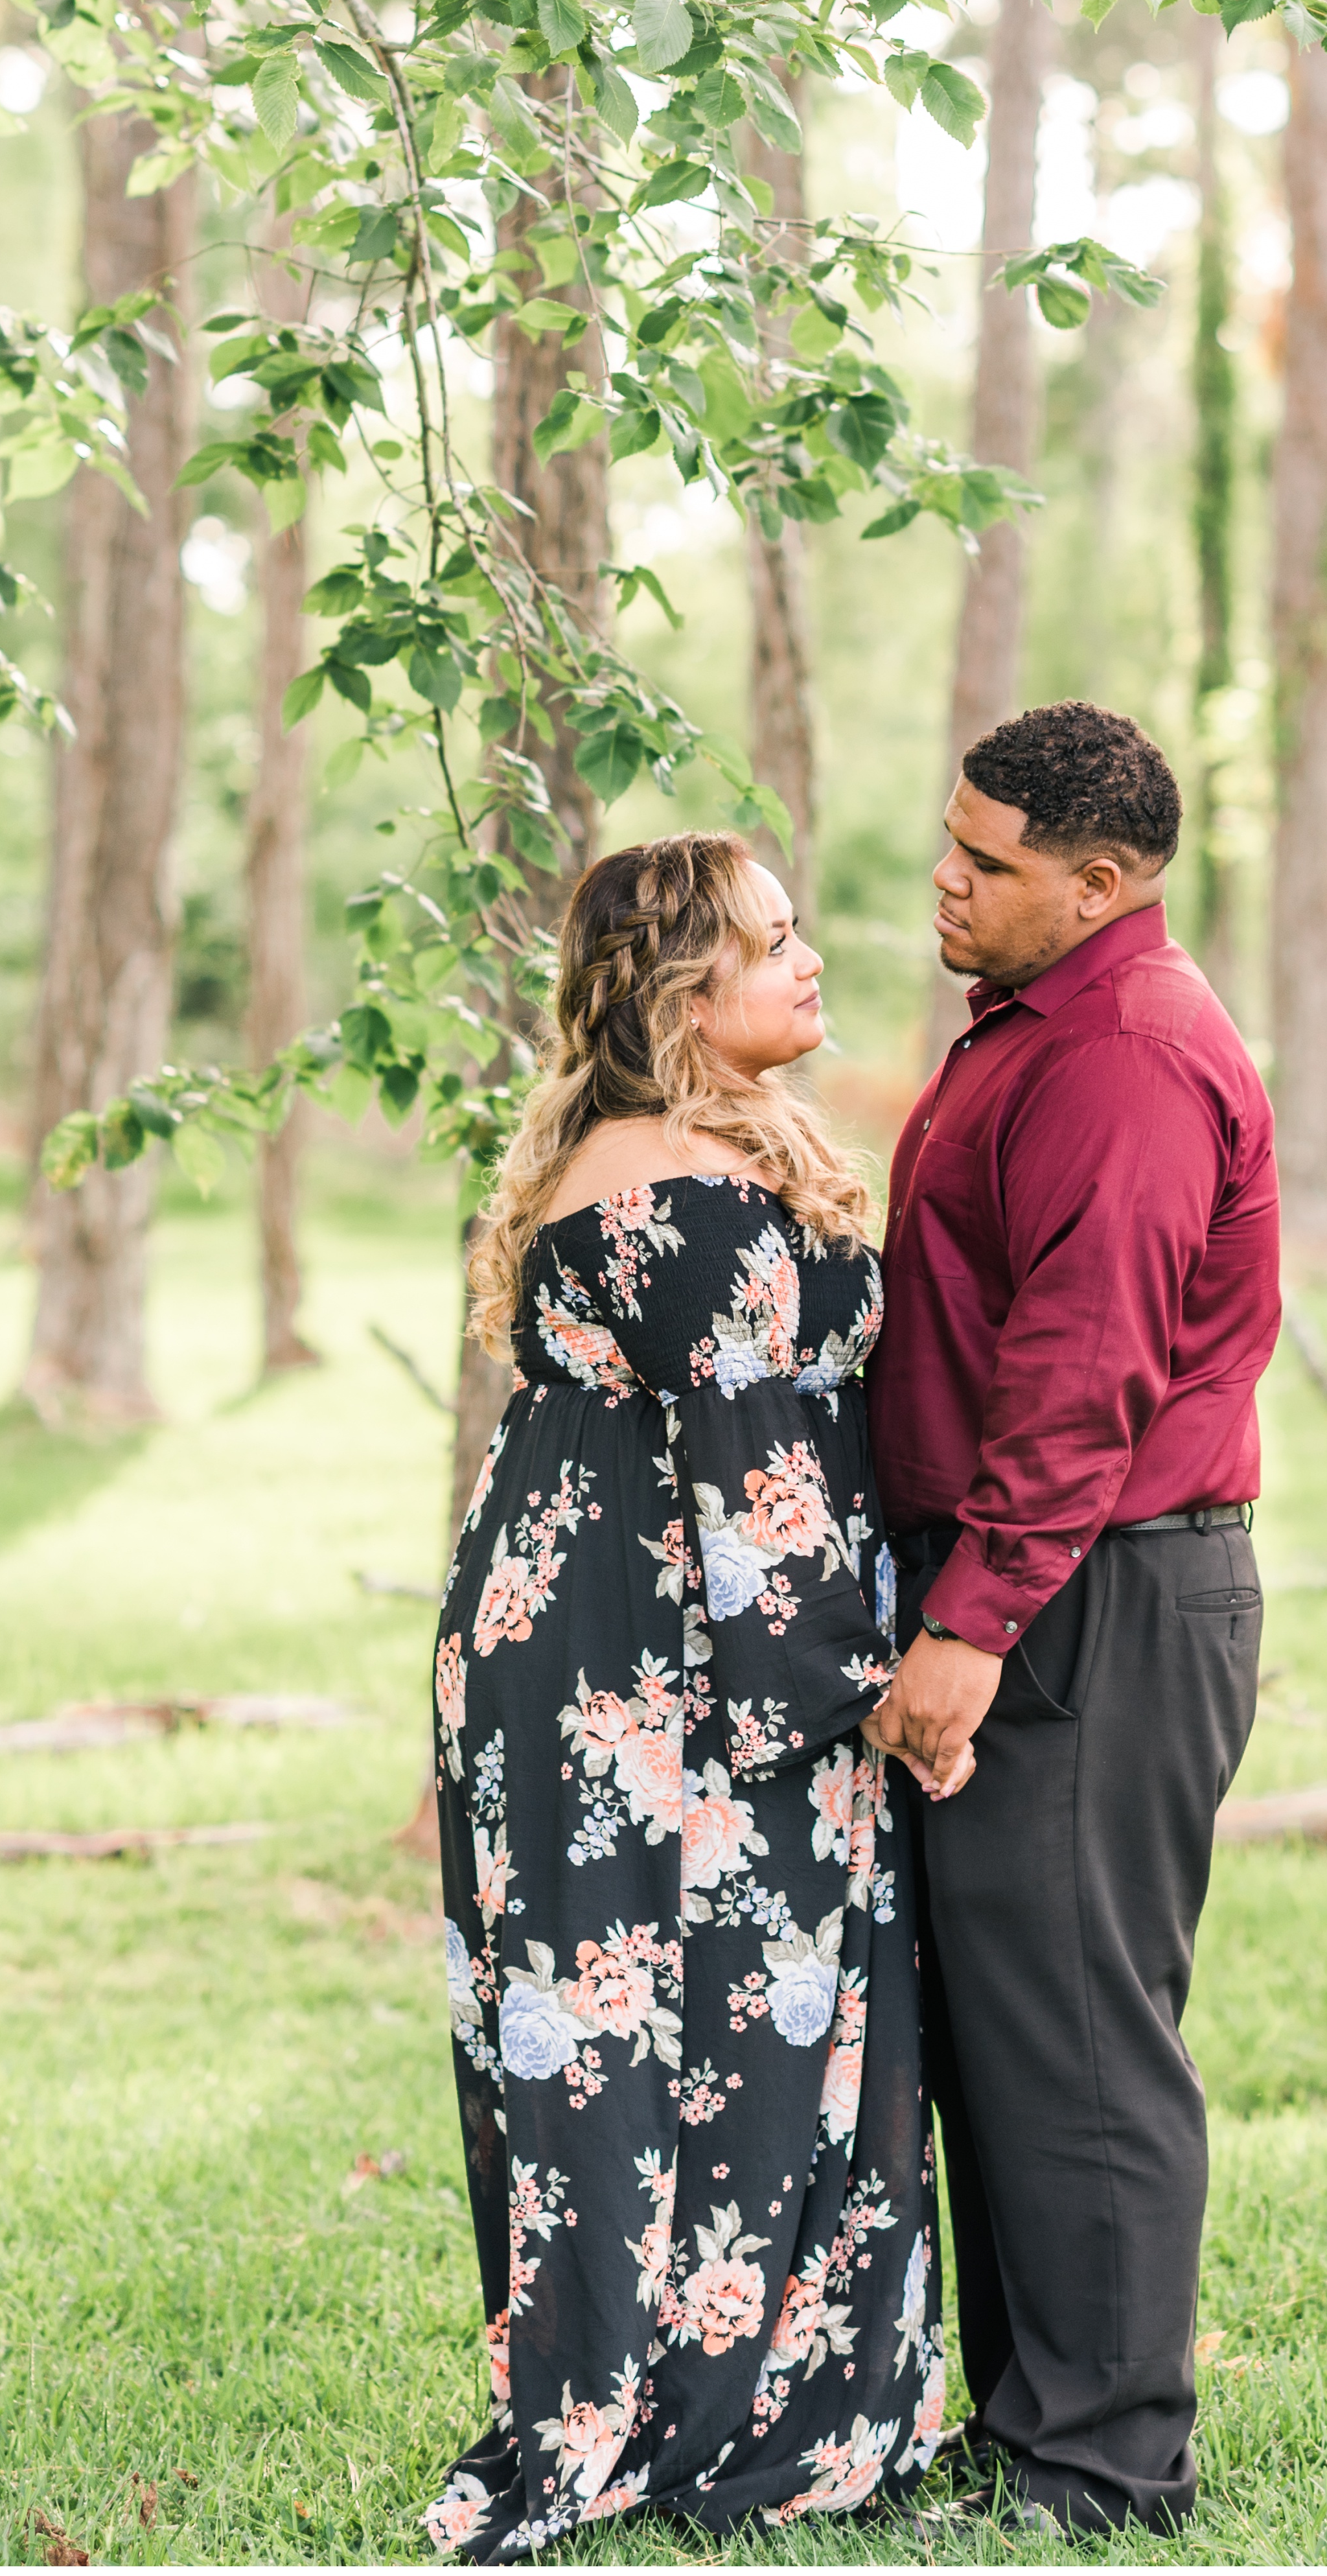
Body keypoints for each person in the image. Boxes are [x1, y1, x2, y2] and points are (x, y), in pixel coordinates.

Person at [422, 833, 948, 2562]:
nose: (811, 960)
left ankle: (677, 2380)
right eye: (771, 940)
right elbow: (757, 1484)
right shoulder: (682, 1198)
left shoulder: (674, 1149)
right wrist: (863, 1690)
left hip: (596, 1634)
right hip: (653, 1664)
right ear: (682, 991)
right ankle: (695, 2404)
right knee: (675, 2017)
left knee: (671, 2014)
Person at [864, 700, 1282, 2539]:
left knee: (1083, 2033)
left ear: (1102, 884)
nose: (941, 882)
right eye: (948, 840)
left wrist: (967, 1624)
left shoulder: (1117, 1054)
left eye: (988, 863)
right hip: (1053, 1572)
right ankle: (1030, 2420)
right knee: (1011, 2028)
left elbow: (1082, 1372)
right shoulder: (1031, 1025)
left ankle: (1104, 2464)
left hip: (1090, 1582)